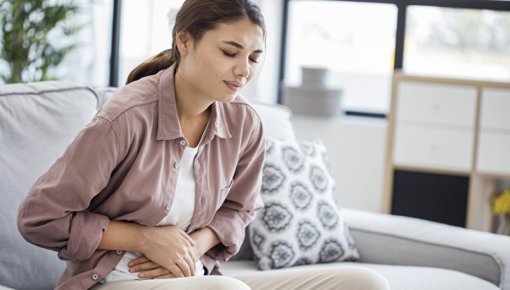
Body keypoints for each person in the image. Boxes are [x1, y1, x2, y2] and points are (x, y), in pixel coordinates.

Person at [17, 0, 390, 289]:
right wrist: (144, 239)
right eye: (230, 52)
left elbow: (239, 209)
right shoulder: (125, 118)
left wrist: (193, 245)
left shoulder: (244, 123)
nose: (244, 70)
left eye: (254, 57)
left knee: (365, 283)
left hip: (197, 275)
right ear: (184, 40)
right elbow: (39, 217)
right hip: (116, 281)